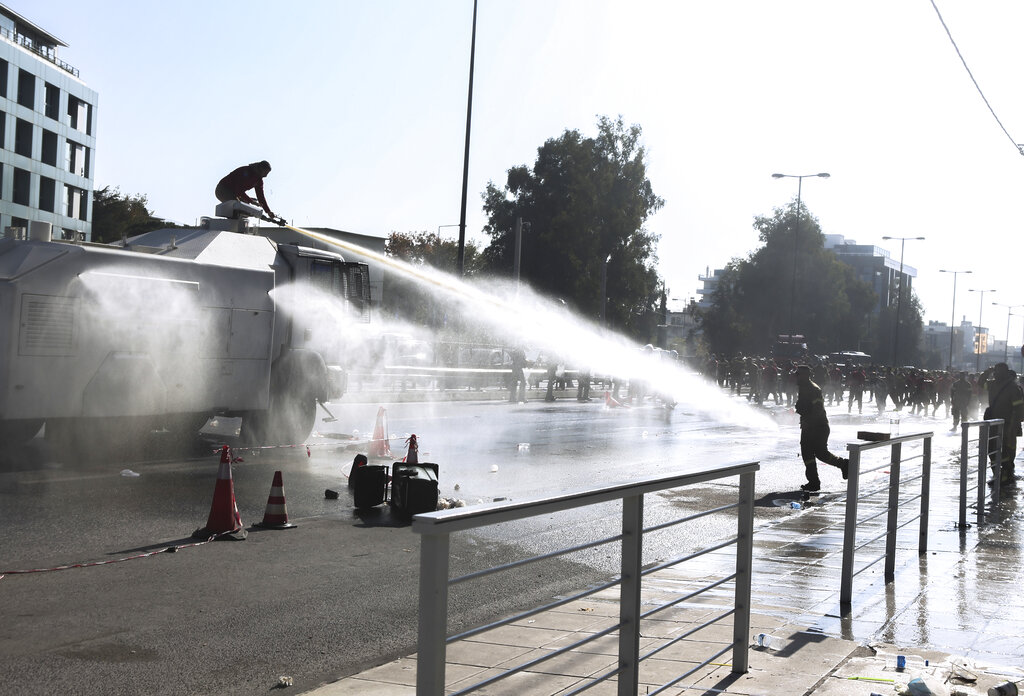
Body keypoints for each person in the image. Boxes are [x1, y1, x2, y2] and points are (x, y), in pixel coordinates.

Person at [794, 365, 849, 493]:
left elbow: (817, 409)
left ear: (805, 375)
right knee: (814, 454)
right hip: (812, 426)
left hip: (817, 427)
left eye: (798, 374)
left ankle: (841, 466)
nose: (796, 376)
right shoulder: (804, 388)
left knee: (816, 453)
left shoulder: (813, 389)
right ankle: (816, 481)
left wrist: (810, 424)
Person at [985, 362, 1024, 485]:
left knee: (1006, 452)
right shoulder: (992, 385)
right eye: (996, 371)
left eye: (1000, 371)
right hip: (993, 424)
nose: (997, 374)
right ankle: (997, 474)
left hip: (1007, 425)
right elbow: (981, 383)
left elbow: (1018, 409)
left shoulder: (1013, 388)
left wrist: (1013, 427)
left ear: (1006, 373)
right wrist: (988, 371)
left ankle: (1006, 475)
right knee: (991, 450)